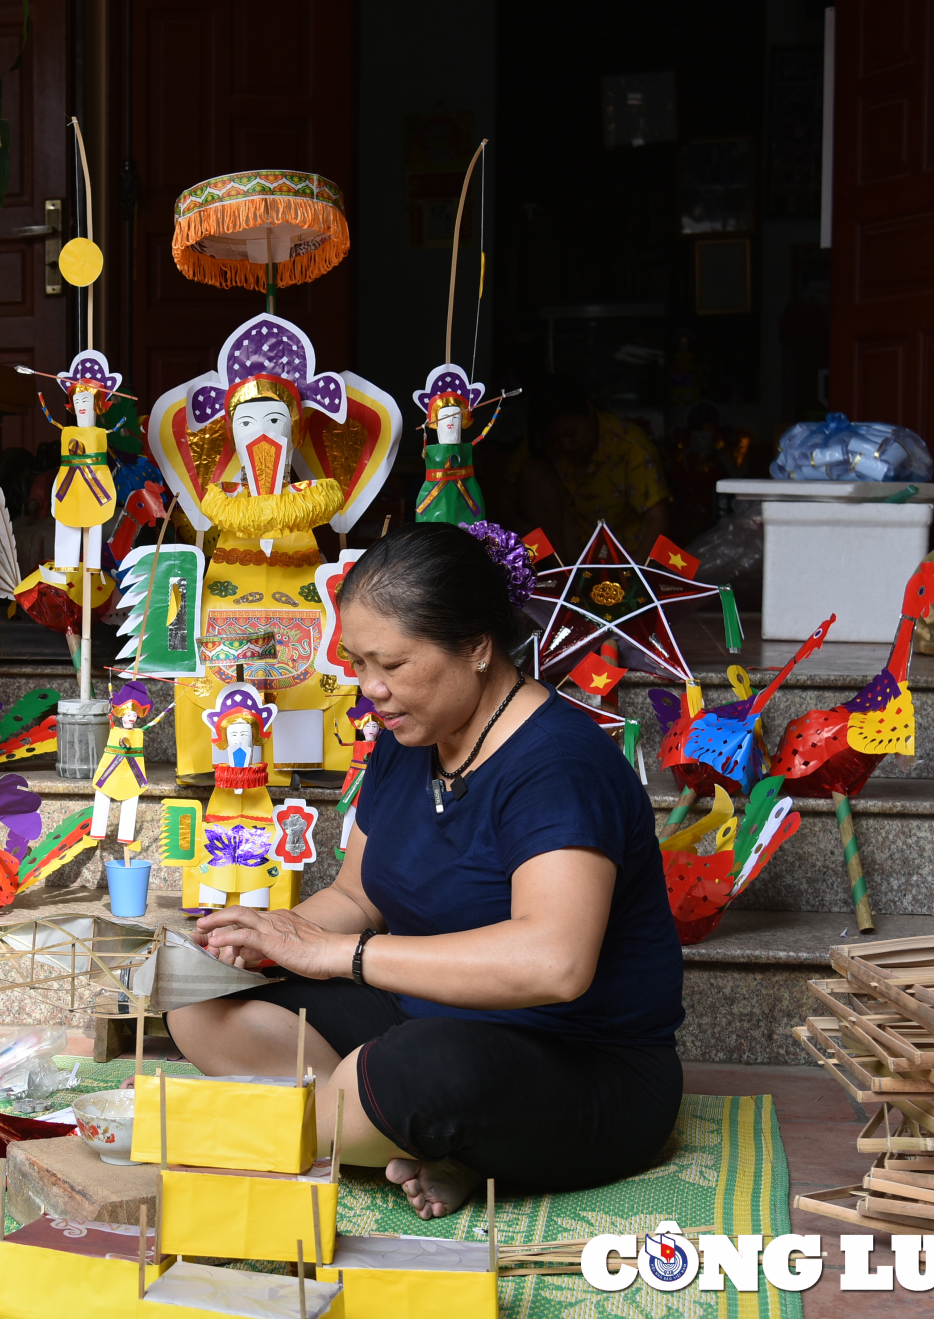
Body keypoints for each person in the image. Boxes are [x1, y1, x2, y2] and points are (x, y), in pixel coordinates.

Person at [165, 521, 684, 1219]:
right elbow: (357, 894)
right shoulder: (408, 735)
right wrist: (267, 935)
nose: (373, 688)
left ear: (475, 646)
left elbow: (554, 961)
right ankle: (398, 1133)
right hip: (420, 1015)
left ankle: (362, 1120)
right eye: (358, 663)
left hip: (580, 1064)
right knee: (199, 1003)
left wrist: (338, 955)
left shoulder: (558, 765)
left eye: (393, 664)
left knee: (413, 1068)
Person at [507, 376, 670, 560]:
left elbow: (658, 519)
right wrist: (517, 522)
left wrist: (635, 573)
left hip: (625, 554)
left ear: (589, 409)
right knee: (533, 473)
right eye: (557, 440)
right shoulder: (540, 444)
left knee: (689, 568)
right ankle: (563, 576)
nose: (566, 445)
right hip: (569, 549)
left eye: (572, 433)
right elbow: (506, 493)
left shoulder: (632, 447)